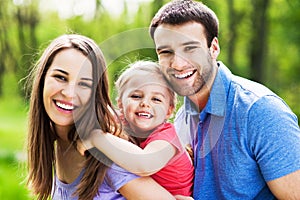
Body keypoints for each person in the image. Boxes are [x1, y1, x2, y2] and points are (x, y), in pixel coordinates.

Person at [149, 0, 300, 199]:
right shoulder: (180, 118)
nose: (177, 64)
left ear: (214, 48)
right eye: (166, 52)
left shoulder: (260, 111)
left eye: (190, 49)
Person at [25, 34, 178, 200]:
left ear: (95, 94)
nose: (69, 93)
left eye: (84, 84)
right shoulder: (55, 143)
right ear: (42, 80)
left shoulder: (108, 155)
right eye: (60, 77)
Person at [78, 61, 194, 196]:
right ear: (121, 103)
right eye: (136, 96)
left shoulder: (167, 138)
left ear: (169, 111)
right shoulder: (125, 120)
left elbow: (144, 165)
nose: (145, 103)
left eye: (156, 99)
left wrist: (96, 137)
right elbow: (102, 112)